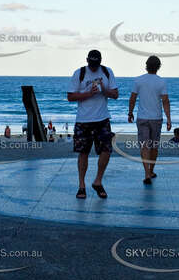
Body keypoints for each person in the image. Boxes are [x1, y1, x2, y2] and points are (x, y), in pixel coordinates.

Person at [67, 49, 119, 199]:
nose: (94, 67)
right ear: (87, 60)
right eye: (92, 64)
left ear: (101, 61)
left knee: (107, 150)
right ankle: (81, 186)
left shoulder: (107, 72)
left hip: (102, 119)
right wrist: (89, 93)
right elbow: (70, 96)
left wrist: (104, 90)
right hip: (83, 120)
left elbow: (115, 95)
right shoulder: (80, 73)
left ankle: (98, 181)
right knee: (83, 153)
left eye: (96, 64)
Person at [128, 55, 172, 185]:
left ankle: (146, 173)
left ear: (146, 65)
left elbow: (132, 99)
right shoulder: (161, 82)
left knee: (144, 146)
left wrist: (130, 113)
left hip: (142, 118)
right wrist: (169, 119)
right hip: (156, 119)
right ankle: (151, 170)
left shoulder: (138, 80)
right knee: (154, 146)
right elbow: (165, 101)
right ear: (158, 67)